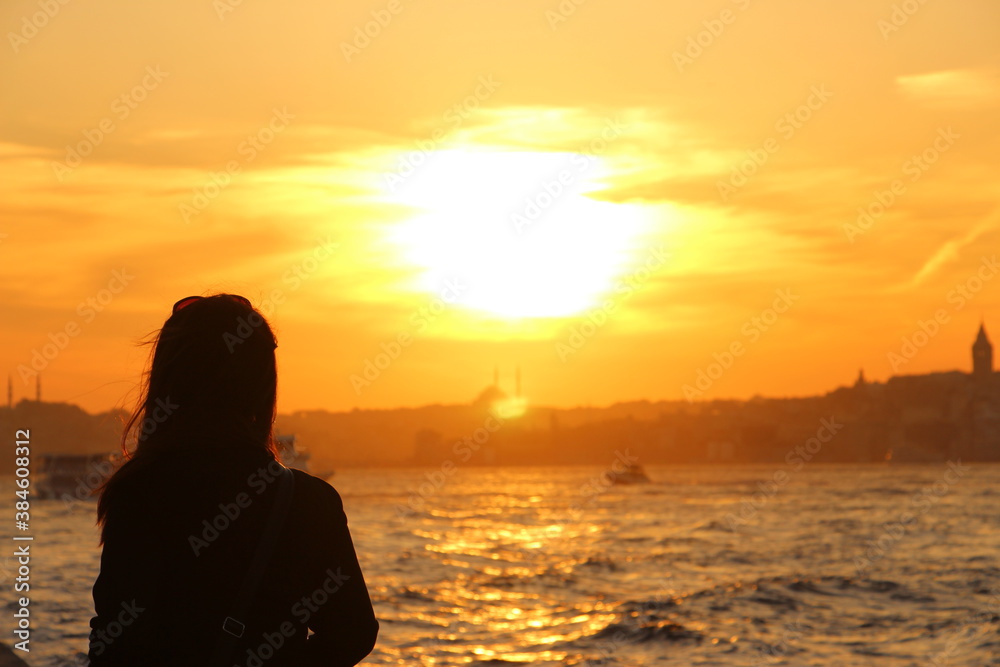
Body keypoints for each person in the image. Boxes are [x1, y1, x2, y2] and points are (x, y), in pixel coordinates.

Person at [88, 293, 378, 666]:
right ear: (261, 385)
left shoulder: (138, 490)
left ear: (168, 382)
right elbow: (352, 632)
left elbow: (114, 635)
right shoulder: (307, 501)